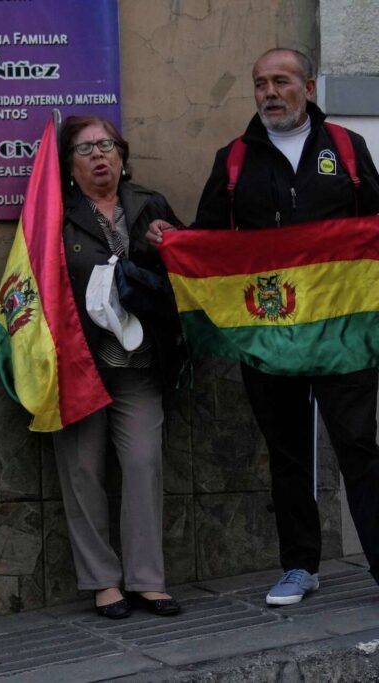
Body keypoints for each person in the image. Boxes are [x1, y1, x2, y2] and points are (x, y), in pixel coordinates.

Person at [150, 47, 379, 606]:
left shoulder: (347, 150)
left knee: (359, 448)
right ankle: (300, 566)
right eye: (260, 84)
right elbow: (210, 240)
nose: (269, 92)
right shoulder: (233, 160)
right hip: (267, 333)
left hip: (340, 333)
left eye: (281, 81)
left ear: (309, 89)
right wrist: (171, 241)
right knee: (287, 451)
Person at [54, 115, 184, 619]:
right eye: (85, 150)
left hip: (140, 362)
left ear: (122, 155)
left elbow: (185, 263)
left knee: (143, 462)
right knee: (83, 471)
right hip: (80, 364)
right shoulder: (57, 215)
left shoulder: (149, 202)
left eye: (106, 145)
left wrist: (168, 239)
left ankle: (147, 580)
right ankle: (104, 582)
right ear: (70, 167)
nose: (98, 156)